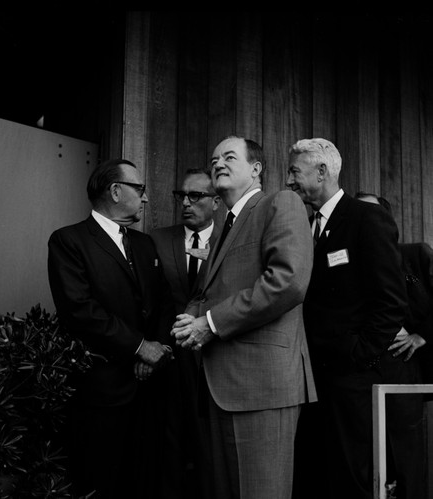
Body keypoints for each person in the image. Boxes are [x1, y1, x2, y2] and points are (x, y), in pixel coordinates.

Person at [171, 135, 317, 499]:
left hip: (263, 385)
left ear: (256, 169)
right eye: (214, 158)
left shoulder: (281, 203)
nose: (218, 163)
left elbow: (287, 281)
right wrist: (191, 318)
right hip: (221, 385)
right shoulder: (226, 224)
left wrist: (210, 324)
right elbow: (209, 292)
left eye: (229, 157)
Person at [286, 138, 414, 499]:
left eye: (295, 171)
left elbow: (392, 301)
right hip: (313, 380)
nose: (290, 180)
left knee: (352, 477)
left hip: (353, 381)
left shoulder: (365, 218)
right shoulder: (305, 224)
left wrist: (360, 355)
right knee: (319, 475)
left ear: (322, 171)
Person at [47, 158, 176, 499]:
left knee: (145, 484)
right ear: (116, 191)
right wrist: (138, 346)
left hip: (149, 391)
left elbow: (164, 302)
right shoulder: (68, 241)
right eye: (140, 189)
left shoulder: (146, 244)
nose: (145, 198)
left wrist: (156, 349)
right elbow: (80, 311)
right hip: (102, 395)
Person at [355, 190, 431, 499]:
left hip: (402, 366)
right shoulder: (340, 262)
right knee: (362, 454)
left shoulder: (415, 254)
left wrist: (421, 334)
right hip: (356, 370)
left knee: (405, 453)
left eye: (371, 215)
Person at [150, 167, 221, 499]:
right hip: (169, 362)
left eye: (196, 196)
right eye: (182, 196)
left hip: (214, 361)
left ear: (216, 201)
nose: (186, 203)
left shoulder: (230, 240)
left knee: (210, 448)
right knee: (169, 445)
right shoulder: (157, 239)